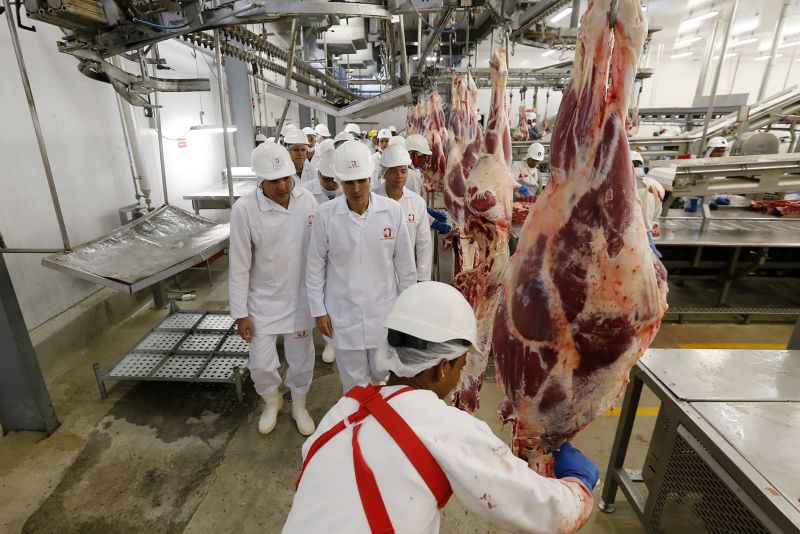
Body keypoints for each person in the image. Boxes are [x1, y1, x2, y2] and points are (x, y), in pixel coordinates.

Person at [283, 282, 598, 533]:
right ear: (442, 368)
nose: (460, 375)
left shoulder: (344, 409)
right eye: (461, 365)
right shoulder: (445, 429)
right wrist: (578, 485)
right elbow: (543, 510)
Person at [306, 140, 416, 392]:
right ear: (340, 181)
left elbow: (405, 268)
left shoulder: (392, 211)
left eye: (361, 181)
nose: (356, 189)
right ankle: (359, 416)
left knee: (381, 375)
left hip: (383, 312)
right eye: (349, 182)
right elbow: (314, 268)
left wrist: (406, 312)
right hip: (343, 315)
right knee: (354, 385)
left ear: (371, 177)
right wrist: (319, 311)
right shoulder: (325, 215)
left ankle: (376, 412)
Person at [229, 142, 318, 436]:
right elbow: (239, 265)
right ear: (260, 181)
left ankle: (299, 405)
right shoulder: (244, 210)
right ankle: (272, 400)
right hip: (262, 301)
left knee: (301, 359)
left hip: (301, 298)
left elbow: (320, 251)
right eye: (274, 181)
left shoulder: (307, 201)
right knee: (261, 364)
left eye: (286, 178)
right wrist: (240, 313)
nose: (282, 186)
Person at [374, 144, 433, 282]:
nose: (399, 176)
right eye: (393, 171)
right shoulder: (372, 200)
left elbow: (424, 243)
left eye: (403, 171)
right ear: (384, 173)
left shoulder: (417, 202)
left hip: (406, 276)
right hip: (377, 276)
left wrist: (422, 279)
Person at [632, 151, 665, 238]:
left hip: (625, 236)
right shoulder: (656, 185)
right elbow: (657, 211)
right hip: (646, 234)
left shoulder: (616, 185)